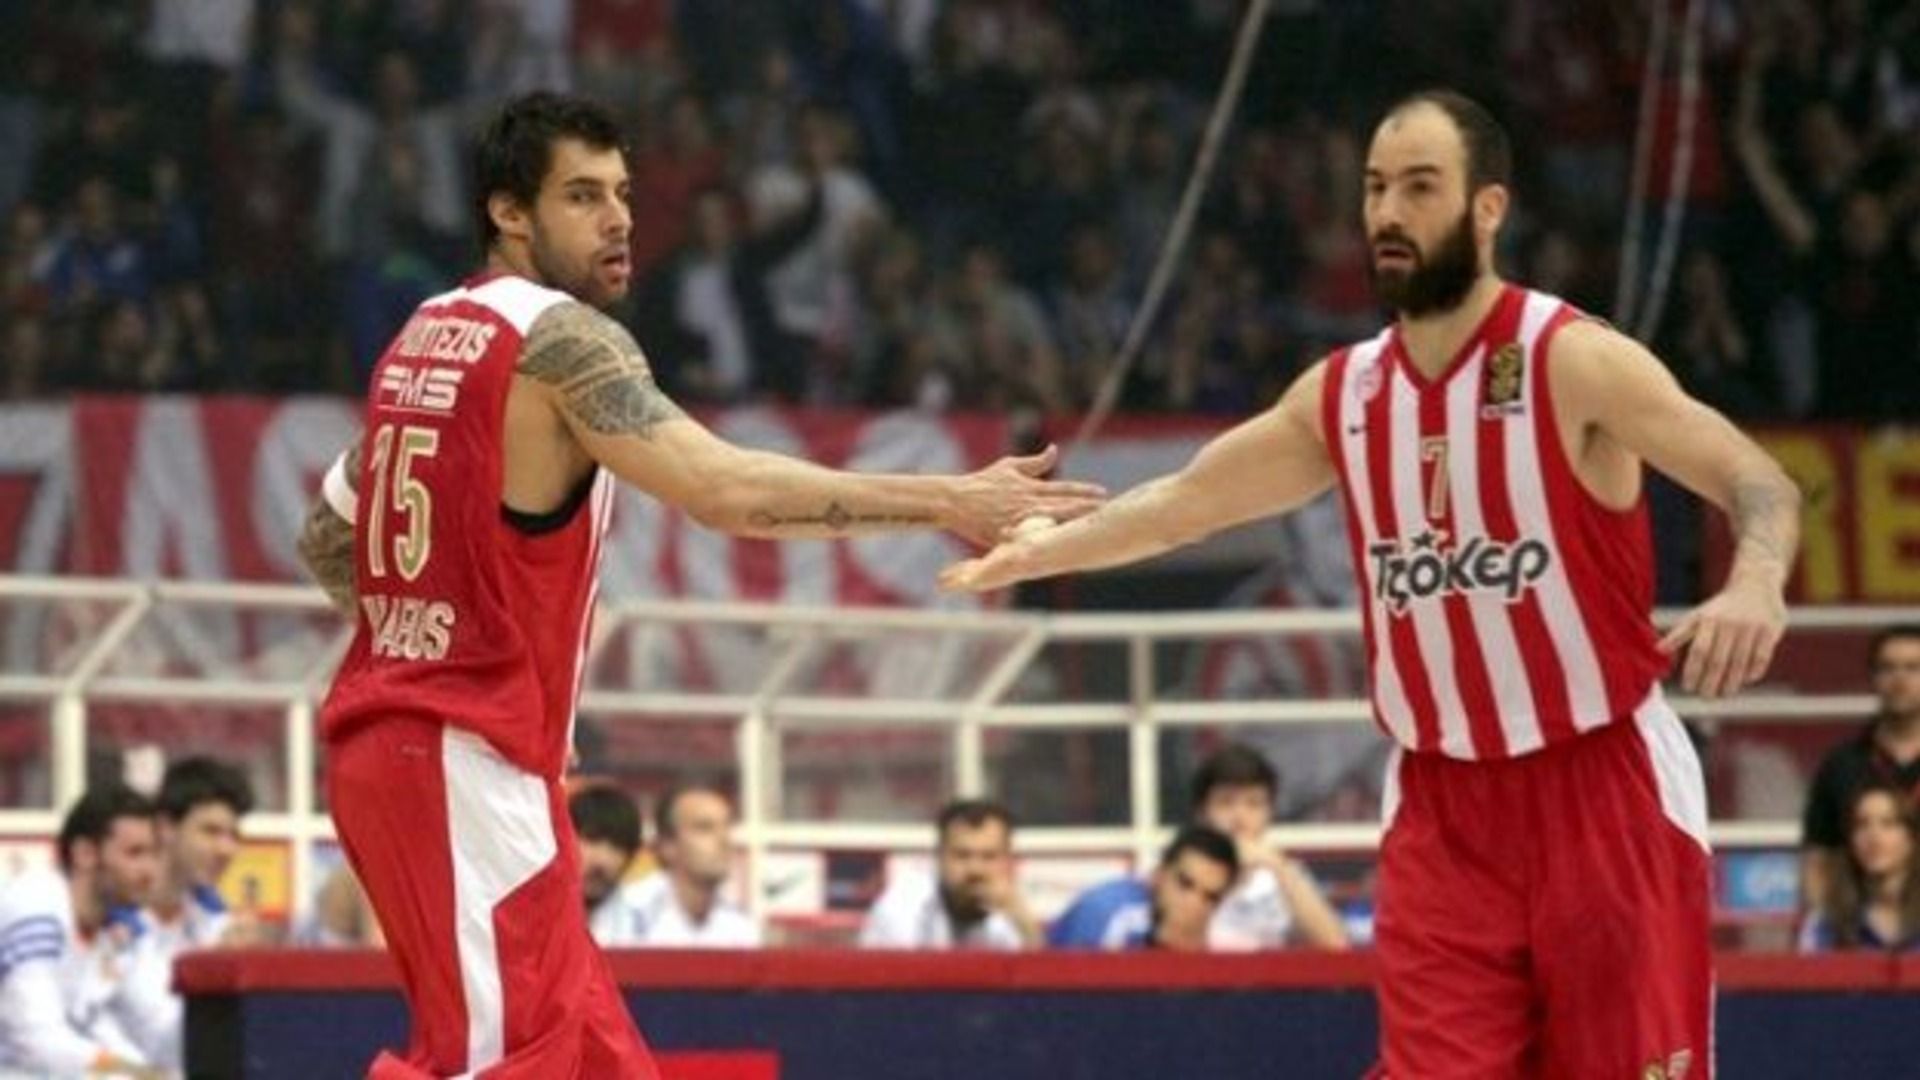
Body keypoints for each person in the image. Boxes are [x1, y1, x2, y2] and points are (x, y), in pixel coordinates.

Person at [945, 89, 1801, 1078]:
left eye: (1420, 187)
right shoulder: (1344, 393)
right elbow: (1187, 502)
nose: (1389, 212)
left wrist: (1756, 581)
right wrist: (1046, 548)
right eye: (1375, 188)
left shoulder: (1573, 360)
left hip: (1602, 782)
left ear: (1488, 208)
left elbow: (1758, 481)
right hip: (1442, 804)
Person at [294, 90, 1100, 1079]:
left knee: (598, 1065)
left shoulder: (423, 335)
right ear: (508, 212)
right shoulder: (566, 341)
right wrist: (949, 498)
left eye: (623, 193)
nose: (619, 219)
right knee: (501, 1066)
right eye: (583, 196)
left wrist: (440, 641)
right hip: (460, 758)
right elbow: (726, 491)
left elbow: (329, 536)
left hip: (405, 750)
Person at [0, 786, 174, 1078]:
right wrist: (137, 1074)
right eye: (135, 853)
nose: (150, 871)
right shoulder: (35, 905)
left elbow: (157, 1028)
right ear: (85, 854)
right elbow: (39, 1042)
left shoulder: (122, 930)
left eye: (155, 855)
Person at [1801, 626, 1920, 909]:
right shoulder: (1841, 765)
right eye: (1888, 668)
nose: (1900, 679)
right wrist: (1826, 924)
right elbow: (1819, 857)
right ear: (1872, 678)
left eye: (1913, 668)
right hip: (1859, 925)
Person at [1189, 744, 1348, 950]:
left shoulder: (1288, 875)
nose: (1239, 817)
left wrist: (1279, 868)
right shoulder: (1177, 874)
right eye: (1226, 803)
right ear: (1202, 813)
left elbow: (1336, 945)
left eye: (1254, 804)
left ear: (1269, 813)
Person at [860, 798, 1040, 950]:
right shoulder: (902, 908)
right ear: (939, 857)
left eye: (989, 857)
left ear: (1008, 860)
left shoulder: (1013, 913)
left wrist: (1025, 923)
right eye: (962, 855)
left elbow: (1034, 976)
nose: (975, 870)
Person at [1047, 825, 1238, 952]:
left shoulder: (1217, 932)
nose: (1193, 904)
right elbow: (1085, 995)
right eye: (1184, 884)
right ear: (1158, 875)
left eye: (1210, 897)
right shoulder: (1110, 911)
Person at [612, 785, 759, 948]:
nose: (724, 840)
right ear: (667, 845)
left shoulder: (740, 926)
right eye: (705, 828)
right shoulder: (626, 913)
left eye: (727, 827)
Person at [147, 756, 258, 952]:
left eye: (234, 836)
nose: (226, 850)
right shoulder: (108, 915)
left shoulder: (218, 924)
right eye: (210, 831)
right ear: (166, 828)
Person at [1799, 781, 1920, 952]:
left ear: (1911, 839)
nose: (1874, 836)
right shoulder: (1825, 923)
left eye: (1888, 823)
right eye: (1862, 824)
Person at [568, 783, 649, 947]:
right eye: (592, 839)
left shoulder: (644, 926)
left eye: (617, 846)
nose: (603, 860)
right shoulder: (528, 916)